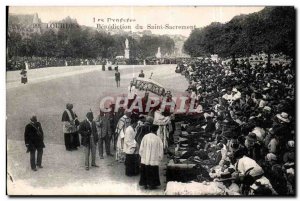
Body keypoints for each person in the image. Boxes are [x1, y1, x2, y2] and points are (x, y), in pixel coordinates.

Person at [139, 125, 164, 190]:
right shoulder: (158, 139)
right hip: (154, 159)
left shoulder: (145, 137)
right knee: (153, 171)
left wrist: (141, 154)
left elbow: (141, 147)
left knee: (145, 170)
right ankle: (152, 184)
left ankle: (145, 184)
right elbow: (161, 150)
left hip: (145, 158)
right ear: (156, 130)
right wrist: (160, 157)